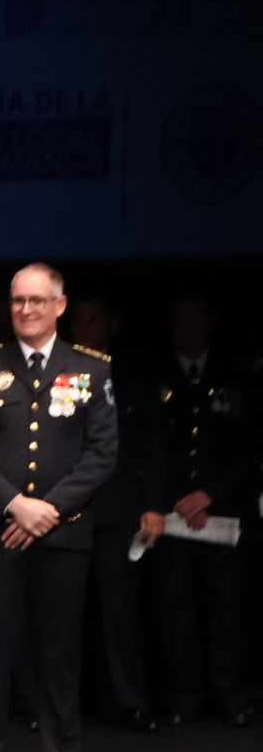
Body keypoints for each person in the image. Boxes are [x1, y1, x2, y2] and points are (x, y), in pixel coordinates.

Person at [0, 263, 117, 752]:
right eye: (18, 300)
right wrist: (15, 506)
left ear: (60, 306)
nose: (25, 310)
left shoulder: (91, 368)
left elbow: (101, 455)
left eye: (37, 301)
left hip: (62, 536)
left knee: (59, 657)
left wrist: (47, 510)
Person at [150, 296, 259, 726]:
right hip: (174, 514)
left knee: (227, 606)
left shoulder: (236, 373)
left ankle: (231, 693)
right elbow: (153, 444)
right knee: (178, 608)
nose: (188, 328)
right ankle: (185, 695)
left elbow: (250, 447)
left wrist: (209, 493)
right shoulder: (157, 372)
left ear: (210, 322)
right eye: (181, 319)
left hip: (223, 512)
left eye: (196, 318)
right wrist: (175, 500)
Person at [70, 294, 165, 732]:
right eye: (80, 320)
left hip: (118, 507)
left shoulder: (132, 373)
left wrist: (151, 503)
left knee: (120, 611)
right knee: (64, 612)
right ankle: (60, 705)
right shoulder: (59, 369)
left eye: (94, 319)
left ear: (110, 324)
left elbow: (150, 441)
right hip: (67, 508)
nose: (86, 328)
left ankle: (130, 700)